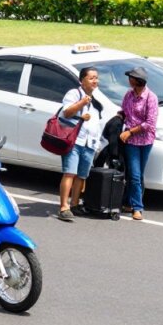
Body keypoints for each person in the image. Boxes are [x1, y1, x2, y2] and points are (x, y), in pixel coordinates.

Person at [57, 66, 104, 222]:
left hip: (89, 142)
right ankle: (64, 207)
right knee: (70, 173)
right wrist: (82, 102)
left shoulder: (96, 99)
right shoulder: (74, 94)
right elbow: (66, 112)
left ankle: (75, 204)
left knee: (81, 175)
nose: (95, 81)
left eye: (96, 78)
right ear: (82, 80)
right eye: (91, 78)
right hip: (74, 140)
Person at [119, 67, 158, 221]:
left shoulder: (151, 97)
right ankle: (137, 207)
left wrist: (130, 131)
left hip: (145, 140)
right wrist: (119, 116)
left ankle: (130, 203)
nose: (129, 79)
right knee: (134, 175)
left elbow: (150, 123)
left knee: (137, 174)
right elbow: (124, 111)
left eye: (131, 77)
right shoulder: (129, 95)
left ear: (137, 80)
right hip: (131, 142)